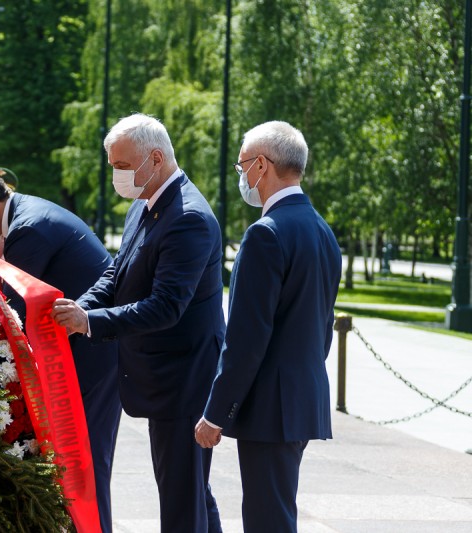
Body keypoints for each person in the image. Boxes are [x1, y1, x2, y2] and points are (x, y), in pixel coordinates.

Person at [52, 113, 225, 532]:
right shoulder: (144, 205)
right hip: (162, 377)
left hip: (183, 381)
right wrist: (81, 308)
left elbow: (166, 307)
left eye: (122, 166)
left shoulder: (188, 218)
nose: (116, 176)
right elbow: (117, 274)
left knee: (182, 499)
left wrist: (90, 322)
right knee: (190, 491)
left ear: (156, 159)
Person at [0, 169, 122, 533]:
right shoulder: (28, 214)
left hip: (93, 355)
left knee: (85, 462)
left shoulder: (28, 230)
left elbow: (13, 310)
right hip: (89, 349)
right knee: (82, 461)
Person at [194, 121, 342, 533]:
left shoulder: (266, 234)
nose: (242, 176)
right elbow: (323, 327)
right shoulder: (323, 231)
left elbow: (245, 338)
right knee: (276, 512)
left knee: (267, 519)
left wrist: (215, 413)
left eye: (243, 165)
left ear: (262, 165)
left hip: (271, 406)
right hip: (300, 399)